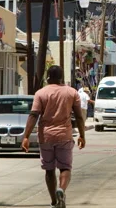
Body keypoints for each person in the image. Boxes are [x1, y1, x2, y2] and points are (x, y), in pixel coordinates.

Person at [22, 65, 85, 208]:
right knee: (65, 168)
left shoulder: (41, 93)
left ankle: (54, 202)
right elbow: (79, 117)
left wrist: (26, 136)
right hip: (64, 135)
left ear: (48, 77)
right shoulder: (72, 92)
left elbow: (34, 115)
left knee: (49, 170)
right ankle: (61, 190)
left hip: (46, 137)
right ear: (62, 77)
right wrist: (82, 135)